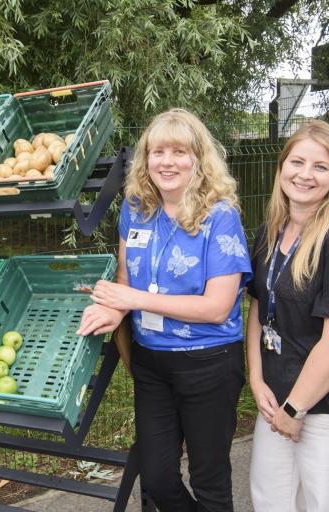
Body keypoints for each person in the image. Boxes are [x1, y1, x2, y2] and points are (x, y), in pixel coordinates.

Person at [77, 108, 251, 511]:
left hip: (208, 363)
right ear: (146, 158)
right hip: (152, 362)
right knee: (156, 481)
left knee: (209, 484)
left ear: (198, 159)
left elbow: (217, 307)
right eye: (158, 151)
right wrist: (113, 310)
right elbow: (125, 278)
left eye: (179, 151)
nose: (167, 161)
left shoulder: (220, 217)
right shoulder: (135, 208)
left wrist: (133, 301)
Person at [247, 120, 329, 511]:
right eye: (297, 161)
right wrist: (256, 378)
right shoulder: (269, 231)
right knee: (271, 502)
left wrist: (296, 409)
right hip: (274, 401)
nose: (306, 175)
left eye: (321, 166)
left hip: (319, 410)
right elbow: (258, 308)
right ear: (281, 168)